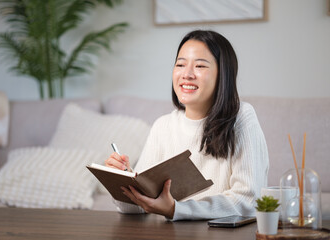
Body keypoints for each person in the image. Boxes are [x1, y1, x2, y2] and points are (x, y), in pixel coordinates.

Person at [105, 30, 269, 221]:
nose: (187, 74)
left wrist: (176, 209)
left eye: (200, 66)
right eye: (180, 64)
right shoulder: (163, 126)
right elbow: (138, 208)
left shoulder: (241, 117)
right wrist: (122, 181)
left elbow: (249, 200)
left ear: (223, 75)